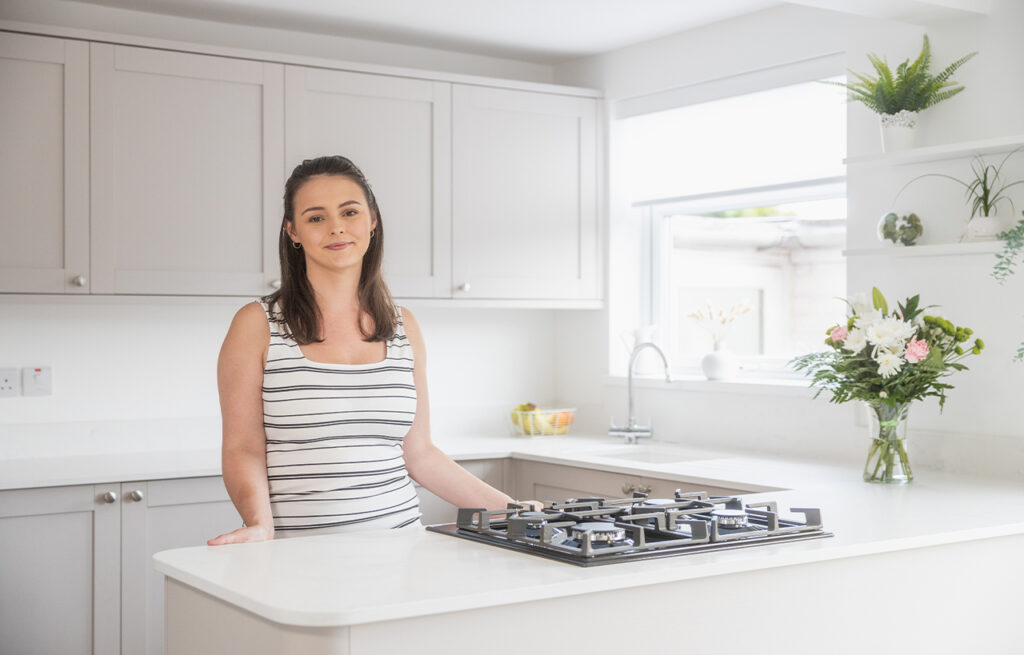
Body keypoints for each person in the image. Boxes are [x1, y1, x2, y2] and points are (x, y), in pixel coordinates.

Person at [208, 155, 531, 544]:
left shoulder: (403, 327)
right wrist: (259, 524)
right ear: (292, 231)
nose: (336, 227)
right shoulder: (258, 325)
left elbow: (420, 454)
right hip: (299, 556)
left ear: (372, 220)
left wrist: (517, 512)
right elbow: (243, 449)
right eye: (316, 217)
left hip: (403, 550)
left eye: (350, 212)